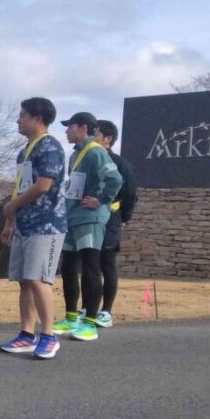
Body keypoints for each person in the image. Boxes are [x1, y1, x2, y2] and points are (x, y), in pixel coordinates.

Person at [0, 98, 68, 360]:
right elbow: (21, 187)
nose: (18, 120)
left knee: (39, 279)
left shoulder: (50, 147)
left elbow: (43, 186)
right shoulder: (24, 152)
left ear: (38, 118)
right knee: (25, 280)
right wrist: (10, 220)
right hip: (24, 225)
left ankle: (48, 336)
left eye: (23, 115)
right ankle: (26, 334)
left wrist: (11, 206)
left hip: (46, 225)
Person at [54, 112, 124, 343]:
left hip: (90, 219)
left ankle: (90, 323)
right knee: (68, 267)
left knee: (91, 268)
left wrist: (101, 200)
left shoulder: (95, 151)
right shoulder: (75, 154)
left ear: (84, 128)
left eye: (70, 126)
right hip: (73, 217)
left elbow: (115, 179)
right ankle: (71, 317)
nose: (66, 131)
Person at [94, 119, 138, 328]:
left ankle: (106, 311)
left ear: (108, 138)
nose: (90, 138)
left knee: (107, 263)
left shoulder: (120, 164)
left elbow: (130, 193)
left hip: (110, 218)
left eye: (95, 134)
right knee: (89, 265)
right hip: (88, 219)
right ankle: (88, 308)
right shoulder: (87, 160)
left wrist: (123, 216)